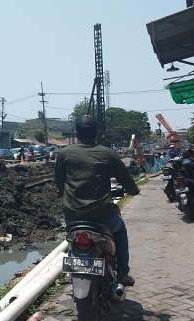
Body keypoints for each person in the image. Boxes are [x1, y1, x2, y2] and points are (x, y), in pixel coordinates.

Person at [54, 115, 140, 287]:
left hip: (73, 214)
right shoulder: (107, 153)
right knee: (120, 231)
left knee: (71, 237)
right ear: (97, 133)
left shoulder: (64, 154)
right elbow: (126, 179)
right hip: (102, 214)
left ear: (77, 133)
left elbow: (59, 180)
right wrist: (134, 190)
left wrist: (64, 196)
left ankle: (71, 268)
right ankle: (123, 273)